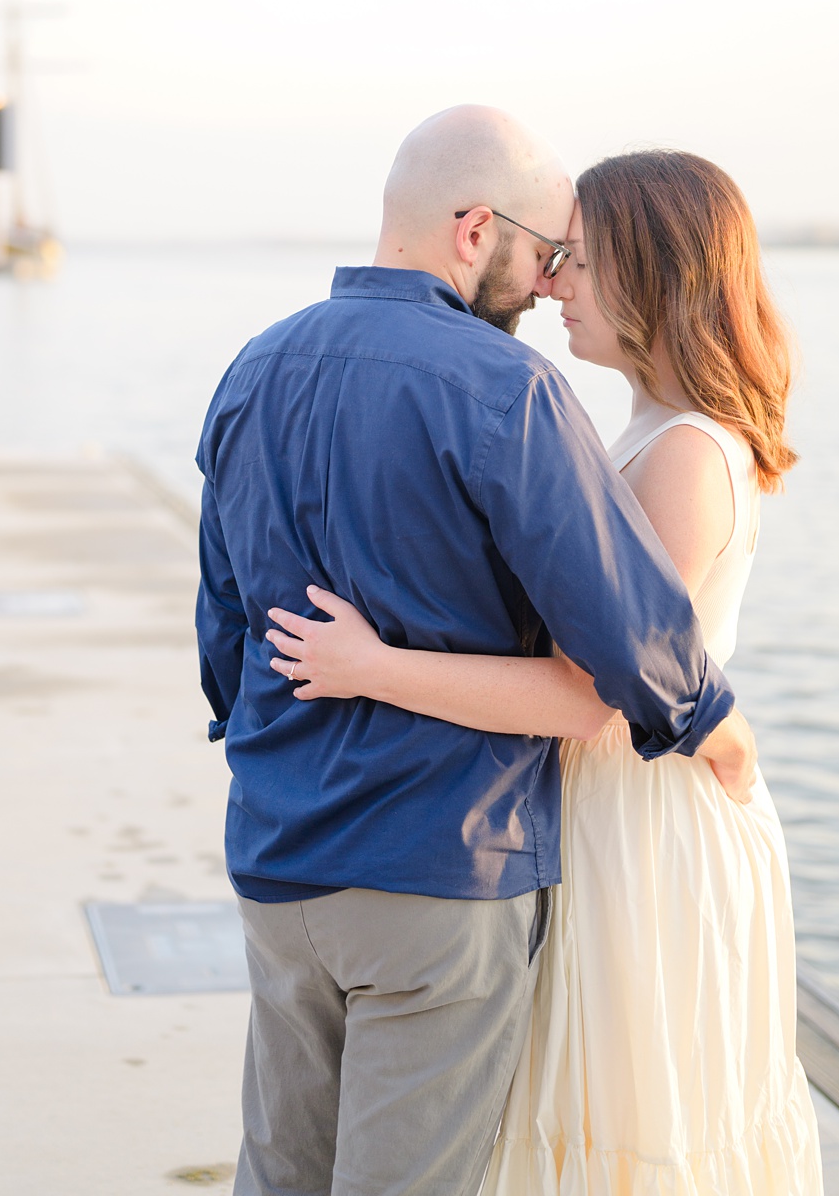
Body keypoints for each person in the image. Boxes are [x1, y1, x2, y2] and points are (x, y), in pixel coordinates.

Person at [196, 107, 759, 1196]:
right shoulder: (509, 391)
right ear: (472, 230)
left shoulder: (252, 369)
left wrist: (269, 744)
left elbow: (226, 631)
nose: (547, 284)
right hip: (439, 868)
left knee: (279, 1173)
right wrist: (712, 725)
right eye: (544, 253)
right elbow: (631, 635)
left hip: (277, 859)